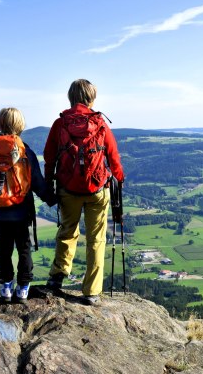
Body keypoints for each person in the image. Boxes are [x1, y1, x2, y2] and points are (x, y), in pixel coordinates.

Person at [43, 79, 124, 306]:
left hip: (68, 188)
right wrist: (119, 180)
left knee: (68, 230)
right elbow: (113, 156)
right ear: (91, 98)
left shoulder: (60, 124)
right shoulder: (99, 123)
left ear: (71, 97)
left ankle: (58, 275)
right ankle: (91, 291)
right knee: (96, 239)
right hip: (97, 188)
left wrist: (50, 181)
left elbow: (50, 156)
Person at [0, 107, 47, 303]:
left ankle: (5, 288)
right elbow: (37, 181)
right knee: (24, 248)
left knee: (4, 248)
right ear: (20, 125)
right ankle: (23, 289)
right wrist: (53, 199)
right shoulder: (24, 151)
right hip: (21, 210)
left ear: (0, 124)